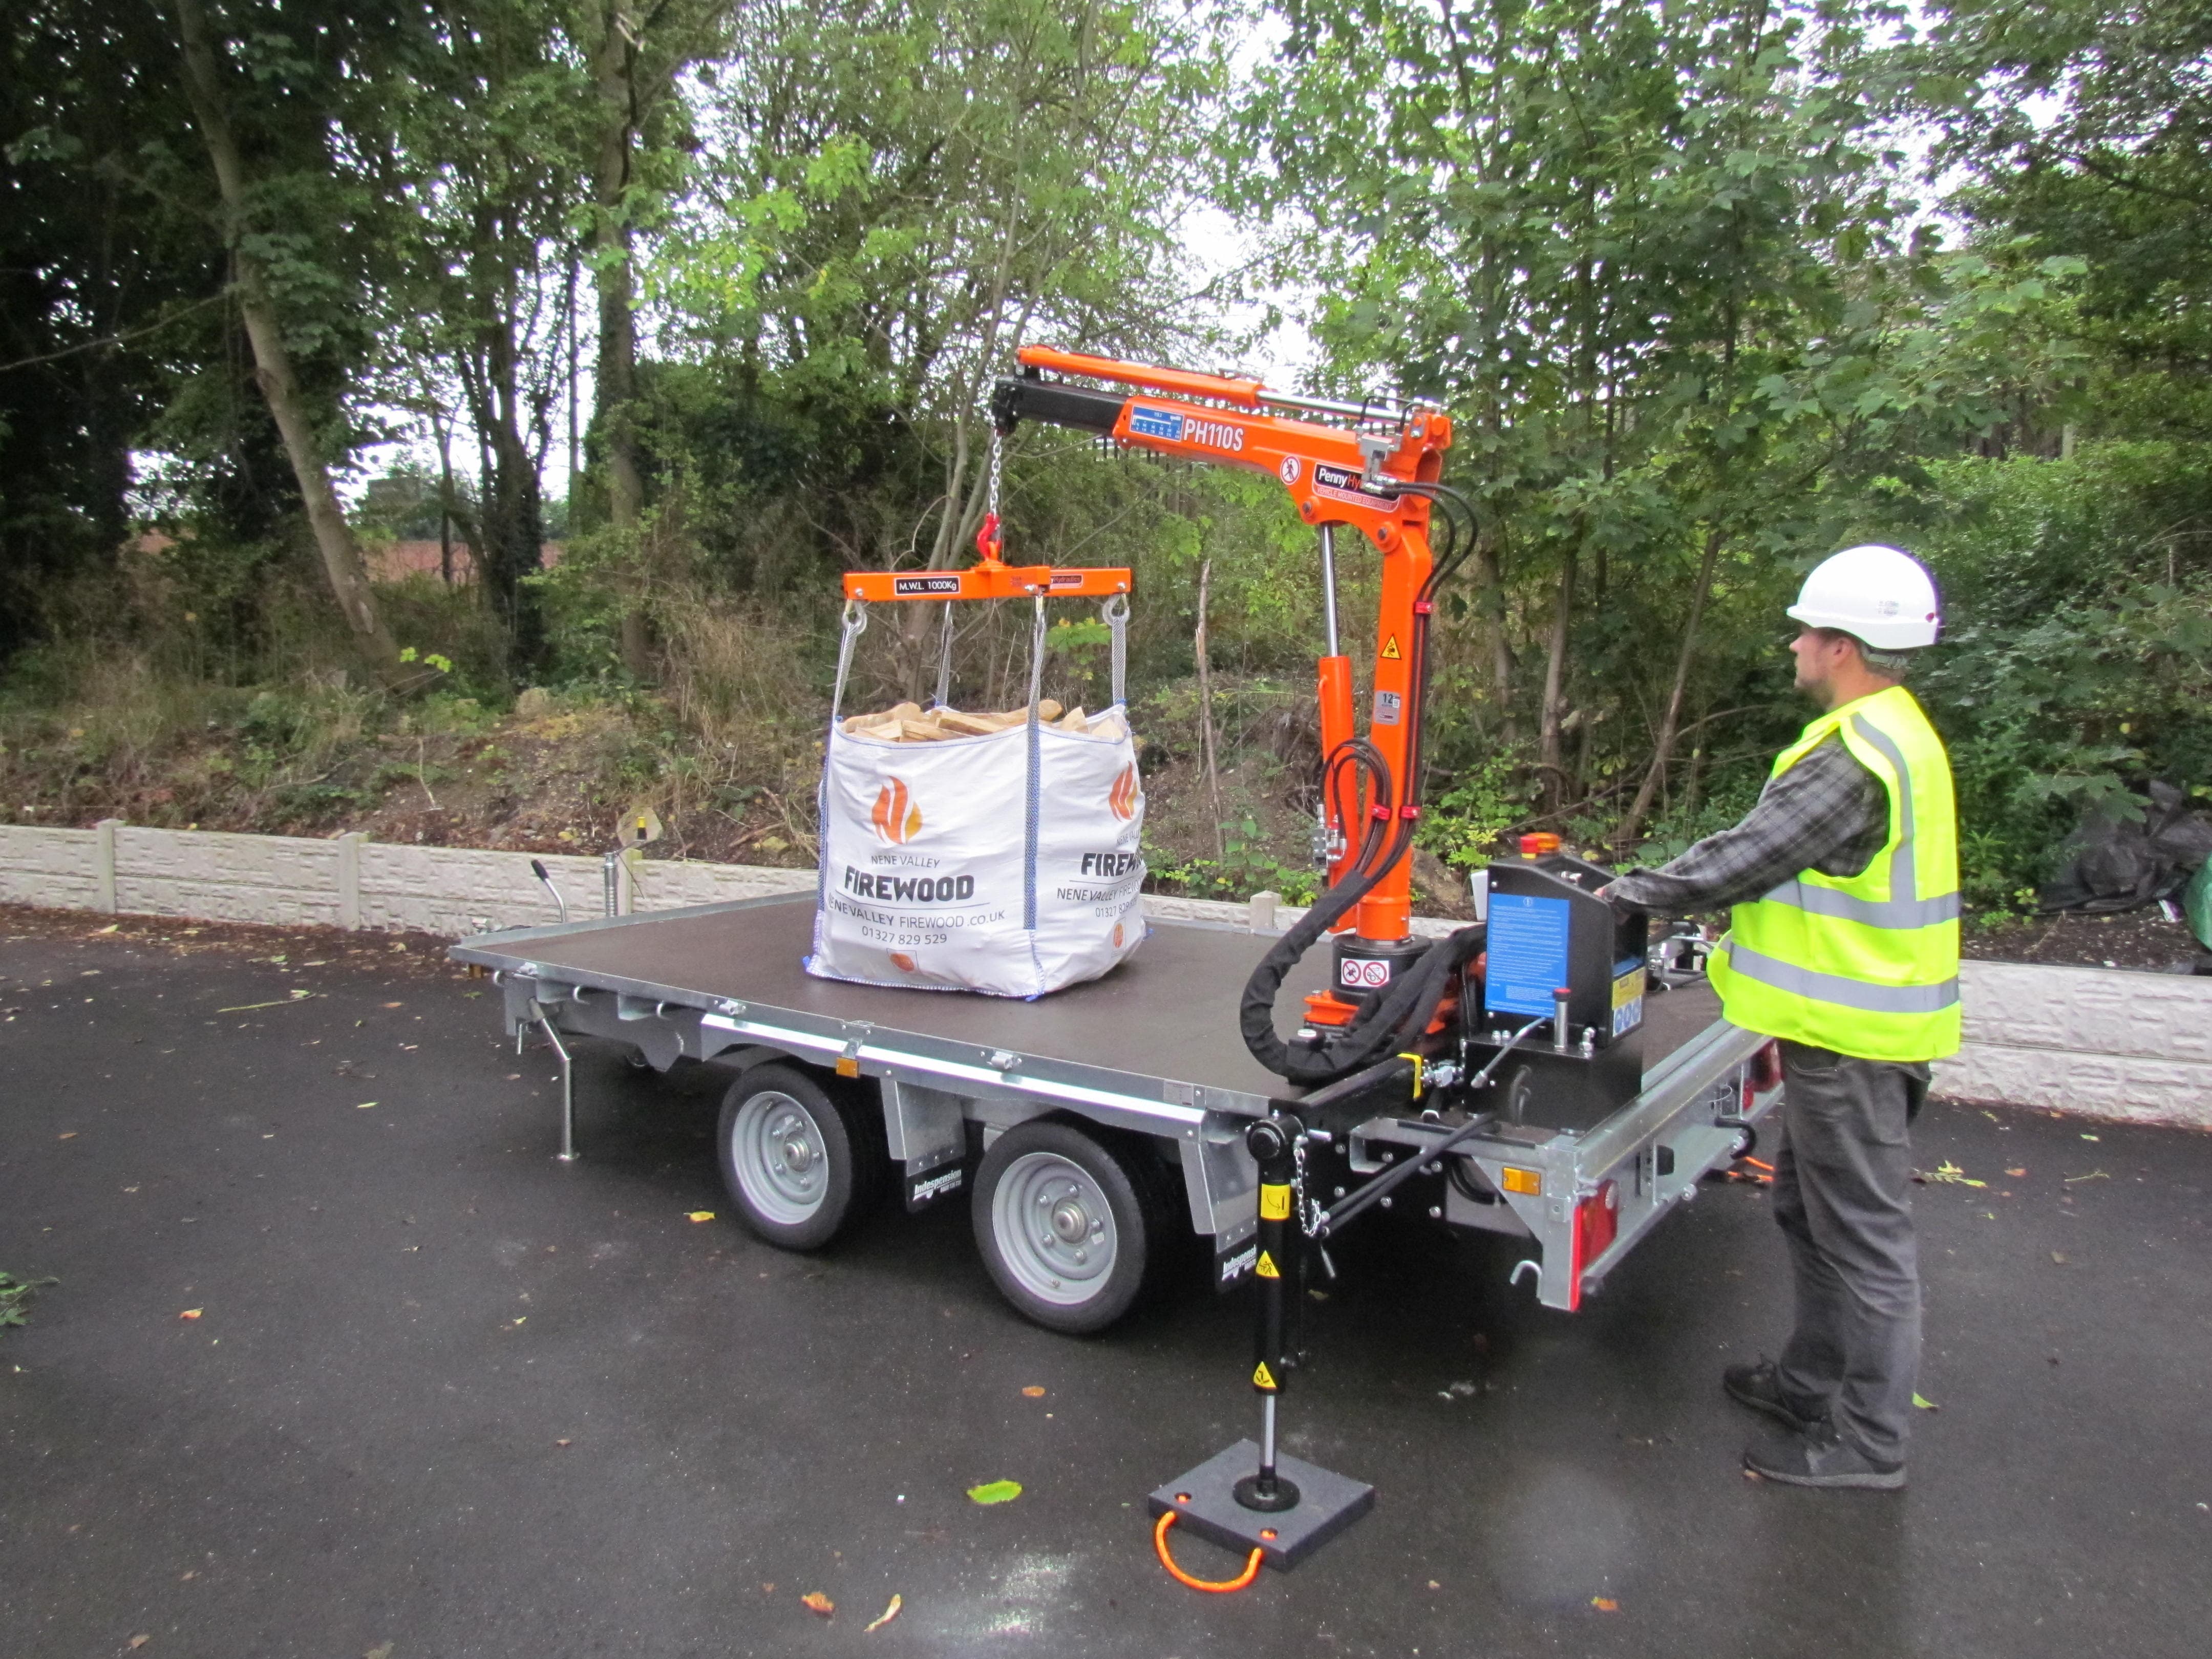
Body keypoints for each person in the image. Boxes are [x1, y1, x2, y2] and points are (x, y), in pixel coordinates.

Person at [1603, 544, 1960, 1491]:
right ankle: (1811, 1383)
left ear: (1842, 647)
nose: (1795, 644)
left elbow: (1744, 859)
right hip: (1837, 1035)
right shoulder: (1893, 729)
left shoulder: (1854, 759)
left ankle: (1869, 1445)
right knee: (1809, 1209)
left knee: (1865, 1241)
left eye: (1806, 630)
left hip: (1855, 1043)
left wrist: (1615, 896)